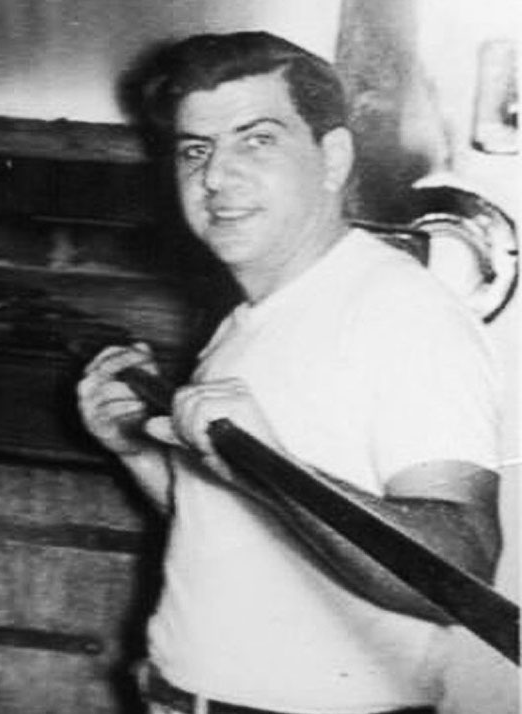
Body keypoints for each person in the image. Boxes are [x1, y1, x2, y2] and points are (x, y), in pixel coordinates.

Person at [77, 32, 502, 714]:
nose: (216, 177)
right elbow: (254, 530)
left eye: (257, 140)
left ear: (331, 158)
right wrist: (140, 457)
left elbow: (457, 572)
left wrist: (273, 462)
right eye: (196, 150)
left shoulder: (403, 314)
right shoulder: (254, 316)